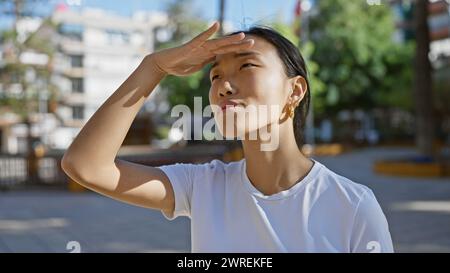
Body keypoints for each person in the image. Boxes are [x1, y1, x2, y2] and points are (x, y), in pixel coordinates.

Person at [61, 22, 393, 253]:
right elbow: (85, 165)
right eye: (215, 75)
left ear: (294, 91)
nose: (223, 85)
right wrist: (154, 68)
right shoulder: (202, 187)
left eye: (246, 66)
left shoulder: (353, 207)